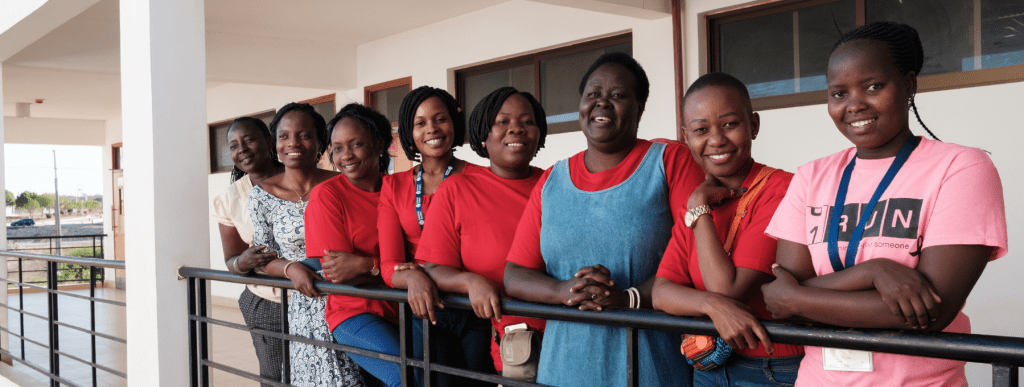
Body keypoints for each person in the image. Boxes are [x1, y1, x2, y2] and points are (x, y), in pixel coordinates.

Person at [761, 21, 1007, 386]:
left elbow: (932, 311)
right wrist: (872, 271)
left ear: (909, 83)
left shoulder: (962, 168)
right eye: (838, 93)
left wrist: (799, 299)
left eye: (874, 86)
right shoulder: (812, 176)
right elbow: (780, 301)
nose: (855, 105)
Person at [503, 52, 704, 387]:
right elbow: (515, 274)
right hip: (562, 368)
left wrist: (628, 298)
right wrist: (565, 290)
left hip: (648, 367)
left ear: (639, 107)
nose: (602, 104)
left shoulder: (669, 163)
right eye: (592, 95)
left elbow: (697, 260)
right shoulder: (552, 180)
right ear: (580, 106)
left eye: (618, 96)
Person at [651, 73, 803, 386]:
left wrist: (700, 211)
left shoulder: (781, 189)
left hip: (773, 370)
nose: (716, 139)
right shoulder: (696, 201)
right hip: (708, 367)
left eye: (730, 124)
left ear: (754, 125)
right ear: (686, 137)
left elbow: (729, 290)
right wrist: (708, 305)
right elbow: (662, 291)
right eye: (700, 130)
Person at [417, 87, 548, 374]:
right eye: (502, 122)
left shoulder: (555, 184)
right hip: (500, 340)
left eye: (527, 122)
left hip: (564, 328)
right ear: (483, 136)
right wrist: (471, 282)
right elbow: (435, 267)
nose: (516, 129)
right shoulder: (458, 189)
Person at [376, 86, 490, 384]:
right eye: (420, 123)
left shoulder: (483, 178)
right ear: (409, 132)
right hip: (423, 309)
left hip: (476, 307)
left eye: (440, 119)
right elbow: (389, 265)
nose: (432, 129)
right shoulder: (394, 186)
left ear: (454, 122)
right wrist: (413, 278)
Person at [249, 103, 365, 387]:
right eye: (284, 136)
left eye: (304, 135)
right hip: (306, 302)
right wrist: (291, 269)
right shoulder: (262, 195)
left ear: (320, 143)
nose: (293, 143)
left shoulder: (345, 183)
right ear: (274, 144)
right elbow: (263, 258)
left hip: (354, 295)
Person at [303, 103, 406, 387]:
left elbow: (420, 258)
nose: (345, 155)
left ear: (381, 145)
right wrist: (386, 268)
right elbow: (338, 273)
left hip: (407, 308)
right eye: (337, 148)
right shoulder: (328, 195)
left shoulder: (399, 188)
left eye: (356, 144)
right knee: (407, 376)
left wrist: (365, 264)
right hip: (355, 312)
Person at [212, 117, 285, 387]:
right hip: (267, 301)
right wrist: (243, 260)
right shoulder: (229, 199)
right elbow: (231, 261)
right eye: (234, 145)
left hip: (314, 296)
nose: (241, 149)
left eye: (249, 139)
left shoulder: (303, 180)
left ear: (268, 141)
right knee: (275, 378)